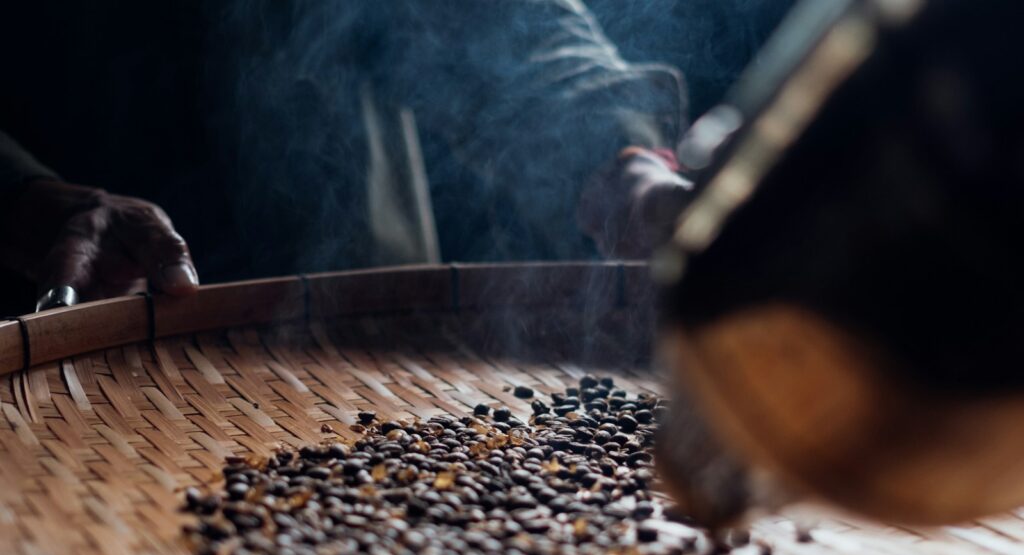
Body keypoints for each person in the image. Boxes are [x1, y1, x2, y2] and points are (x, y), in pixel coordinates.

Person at [0, 1, 695, 311]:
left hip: (363, 319)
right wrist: (22, 195)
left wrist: (622, 167)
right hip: (69, 317)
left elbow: (496, 25)